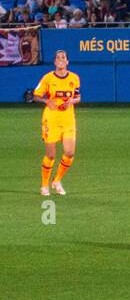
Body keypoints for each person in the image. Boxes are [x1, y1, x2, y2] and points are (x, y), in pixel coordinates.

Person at [31, 49, 80, 196]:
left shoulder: (74, 78)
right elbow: (35, 95)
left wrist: (72, 101)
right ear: (54, 62)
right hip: (51, 119)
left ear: (67, 61)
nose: (61, 59)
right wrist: (47, 101)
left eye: (63, 57)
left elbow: (78, 97)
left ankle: (57, 180)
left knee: (69, 153)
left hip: (68, 119)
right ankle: (44, 185)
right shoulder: (48, 78)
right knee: (51, 155)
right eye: (58, 57)